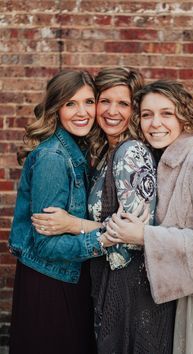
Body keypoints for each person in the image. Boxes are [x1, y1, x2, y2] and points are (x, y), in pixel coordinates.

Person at [31, 67, 176, 354]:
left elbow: (132, 236)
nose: (112, 111)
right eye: (104, 101)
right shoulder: (106, 154)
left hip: (134, 289)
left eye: (122, 103)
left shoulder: (131, 152)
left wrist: (73, 224)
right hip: (110, 283)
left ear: (133, 110)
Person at [106, 79, 193, 354]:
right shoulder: (167, 161)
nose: (155, 123)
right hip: (189, 296)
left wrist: (145, 236)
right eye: (147, 115)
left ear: (185, 117)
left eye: (167, 113)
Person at [8, 70, 113, 354]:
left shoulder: (76, 150)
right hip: (51, 282)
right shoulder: (53, 158)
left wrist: (80, 225)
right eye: (70, 103)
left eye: (89, 102)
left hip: (67, 277)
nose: (83, 112)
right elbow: (45, 244)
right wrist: (104, 239)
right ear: (56, 108)